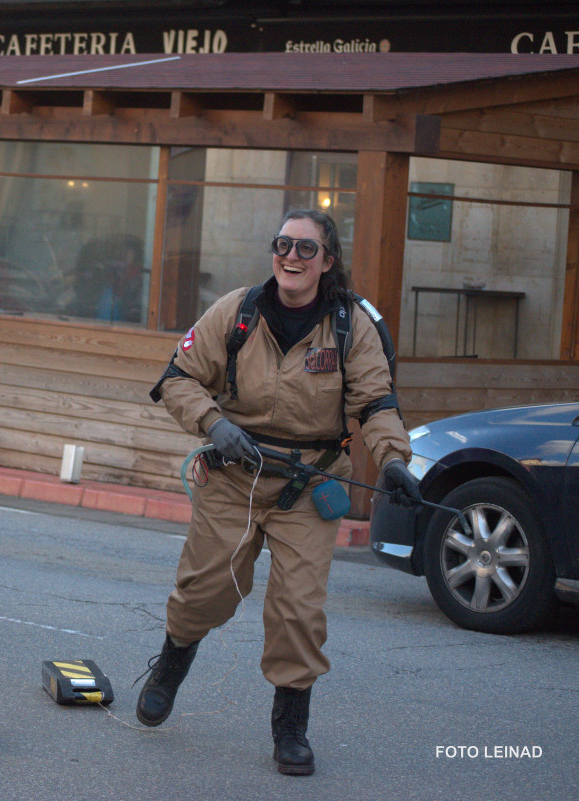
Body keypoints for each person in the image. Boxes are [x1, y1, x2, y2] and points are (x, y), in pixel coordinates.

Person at [136, 208, 421, 776]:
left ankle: (290, 725)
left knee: (298, 610)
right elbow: (177, 378)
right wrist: (214, 424)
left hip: (308, 484)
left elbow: (376, 402)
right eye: (283, 245)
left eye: (306, 249)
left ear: (327, 262)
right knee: (204, 593)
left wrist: (393, 461)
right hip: (233, 475)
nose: (292, 257)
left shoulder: (350, 326)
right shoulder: (237, 312)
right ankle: (171, 663)